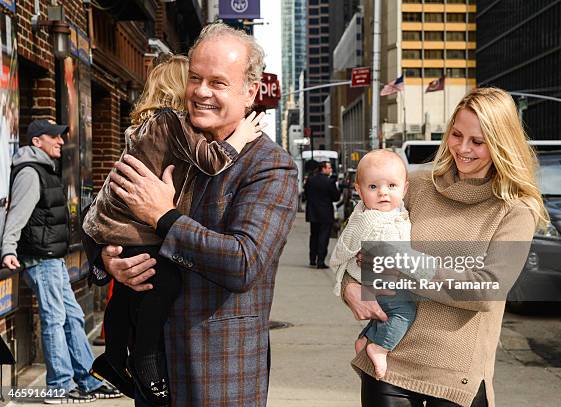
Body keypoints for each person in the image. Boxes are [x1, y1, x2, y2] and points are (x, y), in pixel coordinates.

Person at [82, 22, 298, 406]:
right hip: (151, 370)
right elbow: (101, 208)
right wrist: (107, 261)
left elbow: (243, 263)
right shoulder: (168, 140)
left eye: (217, 82)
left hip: (217, 371)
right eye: (195, 78)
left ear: (249, 92)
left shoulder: (269, 167)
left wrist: (163, 218)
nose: (200, 92)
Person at [341, 87, 547, 407]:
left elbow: (484, 290)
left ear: (500, 142)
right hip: (389, 361)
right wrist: (349, 287)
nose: (463, 149)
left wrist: (402, 262)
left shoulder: (516, 210)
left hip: (455, 375)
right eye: (456, 134)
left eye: (477, 142)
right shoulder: (416, 185)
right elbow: (361, 233)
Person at [1, 119, 121, 403]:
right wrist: (8, 249)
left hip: (51, 259)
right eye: (53, 137)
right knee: (55, 319)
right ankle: (59, 387)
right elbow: (17, 213)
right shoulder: (30, 173)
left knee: (74, 316)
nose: (59, 141)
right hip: (41, 259)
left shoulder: (43, 170)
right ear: (36, 142)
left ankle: (88, 380)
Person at [331, 149, 433, 381]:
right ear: (359, 190)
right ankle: (380, 347)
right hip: (383, 280)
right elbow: (344, 249)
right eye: (374, 187)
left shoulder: (396, 212)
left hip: (385, 279)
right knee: (404, 312)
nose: (383, 193)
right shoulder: (369, 218)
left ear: (405, 189)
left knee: (386, 313)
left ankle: (366, 339)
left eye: (392, 186)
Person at [305, 161, 341, 268]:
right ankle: (320, 260)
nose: (331, 170)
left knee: (314, 235)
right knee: (323, 237)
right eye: (329, 168)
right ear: (323, 169)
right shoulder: (329, 182)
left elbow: (306, 193)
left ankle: (312, 259)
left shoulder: (310, 180)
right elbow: (336, 197)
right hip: (325, 213)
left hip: (313, 212)